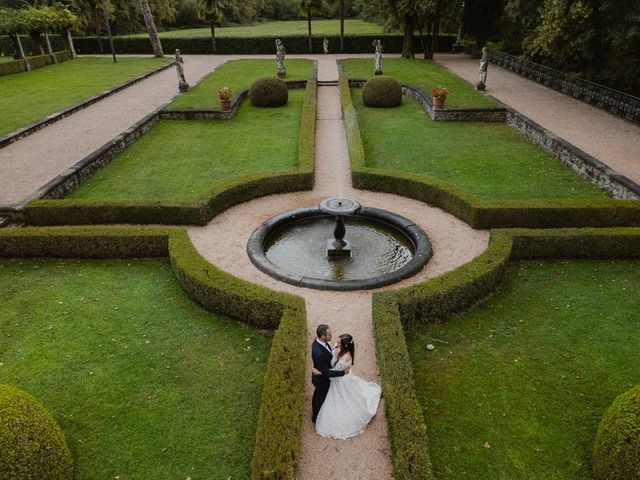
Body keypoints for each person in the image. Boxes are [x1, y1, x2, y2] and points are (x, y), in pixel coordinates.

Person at [312, 333, 382, 439]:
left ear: (345, 346)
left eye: (340, 342)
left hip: (341, 381)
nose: (337, 342)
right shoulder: (338, 347)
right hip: (338, 376)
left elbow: (335, 371)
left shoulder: (346, 357)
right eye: (338, 340)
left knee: (344, 401)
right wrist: (334, 348)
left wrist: (319, 372)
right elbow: (333, 357)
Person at [311, 324, 349, 424]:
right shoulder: (318, 353)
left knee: (317, 395)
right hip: (322, 380)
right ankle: (315, 418)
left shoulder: (320, 341)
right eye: (329, 335)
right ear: (322, 336)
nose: (331, 336)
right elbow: (326, 372)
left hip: (322, 371)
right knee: (319, 398)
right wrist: (342, 372)